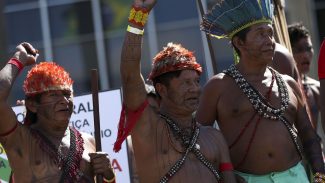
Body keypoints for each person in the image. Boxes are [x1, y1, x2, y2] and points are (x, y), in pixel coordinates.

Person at [197, 0, 325, 182]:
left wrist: (320, 175)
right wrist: (224, 175)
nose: (270, 41)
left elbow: (309, 136)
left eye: (270, 34)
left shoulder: (288, 84)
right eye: (260, 34)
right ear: (239, 42)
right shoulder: (218, 86)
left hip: (296, 177)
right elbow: (198, 141)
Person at [114, 0, 237, 182]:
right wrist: (137, 18)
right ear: (161, 89)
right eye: (186, 83)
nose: (195, 89)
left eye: (196, 81)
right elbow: (130, 76)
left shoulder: (214, 137)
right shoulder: (149, 130)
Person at [0, 42, 115, 182]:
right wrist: (18, 58)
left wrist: (109, 175)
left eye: (67, 93)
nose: (64, 100)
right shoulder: (20, 139)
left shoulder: (88, 141)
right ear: (32, 105)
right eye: (53, 95)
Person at [288, 22, 321, 129]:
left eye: (309, 48)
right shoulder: (280, 88)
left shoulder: (316, 88)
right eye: (299, 50)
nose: (306, 55)